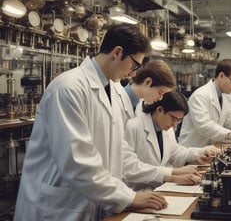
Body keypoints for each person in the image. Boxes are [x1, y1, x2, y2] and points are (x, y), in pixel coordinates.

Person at [14, 23, 167, 221]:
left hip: (92, 202)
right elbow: (77, 160)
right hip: (59, 207)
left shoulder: (114, 90)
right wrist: (128, 197)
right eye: (134, 65)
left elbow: (117, 149)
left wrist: (124, 194)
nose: (133, 73)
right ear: (117, 52)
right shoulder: (68, 88)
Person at [123, 91, 220, 190]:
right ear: (159, 110)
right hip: (137, 190)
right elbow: (130, 168)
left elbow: (174, 152)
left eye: (178, 120)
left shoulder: (166, 129)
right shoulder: (133, 127)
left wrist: (200, 152)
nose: (174, 124)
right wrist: (173, 174)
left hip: (158, 187)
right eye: (173, 118)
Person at [178, 58, 231, 148]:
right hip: (192, 149)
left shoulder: (223, 96)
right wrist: (230, 134)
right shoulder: (201, 95)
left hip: (209, 149)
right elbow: (204, 125)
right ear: (221, 76)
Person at [113, 59, 176, 124]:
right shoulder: (116, 101)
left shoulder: (140, 107)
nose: (160, 98)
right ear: (148, 82)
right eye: (160, 92)